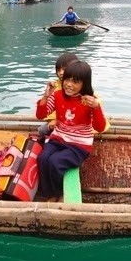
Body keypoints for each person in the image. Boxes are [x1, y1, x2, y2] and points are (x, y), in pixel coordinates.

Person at [35, 60, 110, 200]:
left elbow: (99, 127)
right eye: (67, 80)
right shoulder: (57, 95)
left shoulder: (89, 101)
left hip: (79, 145)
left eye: (75, 82)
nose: (69, 84)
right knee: (43, 158)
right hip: (58, 138)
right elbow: (40, 115)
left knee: (55, 162)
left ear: (84, 84)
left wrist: (96, 107)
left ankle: (59, 193)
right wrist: (46, 96)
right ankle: (48, 193)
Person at [38, 52, 80, 141]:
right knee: (42, 130)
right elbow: (43, 113)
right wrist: (46, 96)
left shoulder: (81, 87)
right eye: (58, 70)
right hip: (60, 122)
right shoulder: (55, 87)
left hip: (76, 125)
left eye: (64, 69)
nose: (61, 73)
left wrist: (57, 121)